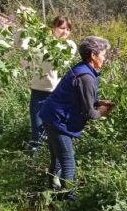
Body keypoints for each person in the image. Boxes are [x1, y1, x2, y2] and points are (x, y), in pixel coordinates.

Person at [37, 36, 113, 198]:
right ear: (93, 55)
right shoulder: (85, 77)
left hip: (50, 115)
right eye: (103, 54)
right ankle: (67, 198)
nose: (105, 58)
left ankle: (53, 190)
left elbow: (81, 98)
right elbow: (90, 113)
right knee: (68, 161)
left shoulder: (81, 69)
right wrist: (103, 111)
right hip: (57, 120)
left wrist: (99, 101)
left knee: (57, 157)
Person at [26, 15, 76, 152]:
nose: (65, 32)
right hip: (39, 92)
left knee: (54, 129)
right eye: (62, 28)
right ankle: (32, 160)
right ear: (53, 28)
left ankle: (51, 160)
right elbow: (28, 59)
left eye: (68, 29)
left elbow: (57, 57)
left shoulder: (70, 46)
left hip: (57, 94)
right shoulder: (39, 43)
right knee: (37, 128)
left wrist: (46, 40)